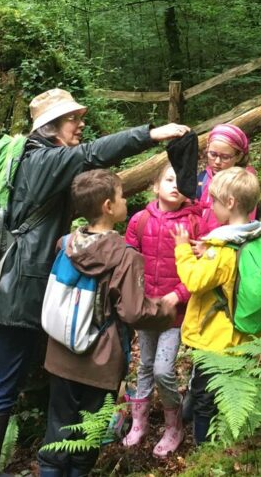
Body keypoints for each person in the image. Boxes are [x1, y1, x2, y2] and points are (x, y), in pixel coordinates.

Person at [0, 88, 189, 477]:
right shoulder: (45, 160)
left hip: (1, 278)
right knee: (2, 381)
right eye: (73, 119)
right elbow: (90, 156)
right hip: (18, 288)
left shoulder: (22, 154)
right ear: (51, 127)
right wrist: (150, 135)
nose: (80, 124)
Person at [37, 170, 171, 476]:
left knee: (57, 428)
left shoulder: (66, 244)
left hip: (60, 353)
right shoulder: (126, 257)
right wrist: (165, 310)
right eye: (123, 196)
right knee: (89, 435)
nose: (127, 201)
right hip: (100, 361)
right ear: (109, 206)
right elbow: (134, 313)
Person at [173, 167, 261, 444]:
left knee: (206, 398)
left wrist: (181, 248)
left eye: (214, 200)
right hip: (242, 333)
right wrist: (208, 252)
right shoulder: (254, 238)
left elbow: (194, 281)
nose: (210, 206)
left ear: (230, 203)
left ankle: (205, 451)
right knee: (231, 392)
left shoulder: (222, 250)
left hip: (216, 339)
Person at [121, 163, 200, 456]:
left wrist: (178, 295)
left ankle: (173, 425)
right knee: (144, 366)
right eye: (168, 179)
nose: (175, 185)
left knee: (163, 370)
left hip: (175, 314)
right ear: (155, 186)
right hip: (146, 311)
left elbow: (199, 270)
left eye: (180, 180)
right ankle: (138, 422)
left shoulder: (193, 223)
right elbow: (129, 264)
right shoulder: (139, 221)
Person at [195, 124, 255, 234]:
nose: (217, 161)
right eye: (213, 154)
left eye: (225, 157)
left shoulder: (244, 185)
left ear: (239, 156)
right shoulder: (202, 179)